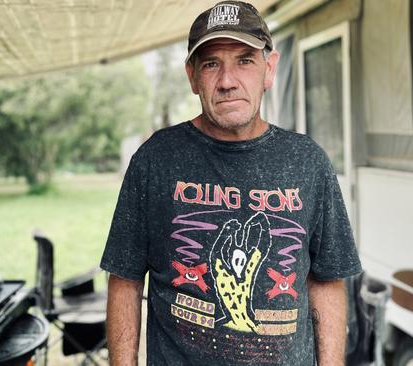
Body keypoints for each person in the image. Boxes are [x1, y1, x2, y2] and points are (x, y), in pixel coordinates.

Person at [99, 1, 362, 365]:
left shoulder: (308, 162)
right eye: (211, 64)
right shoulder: (155, 160)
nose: (227, 81)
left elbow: (327, 279)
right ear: (192, 76)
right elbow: (125, 280)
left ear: (269, 70)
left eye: (244, 60)